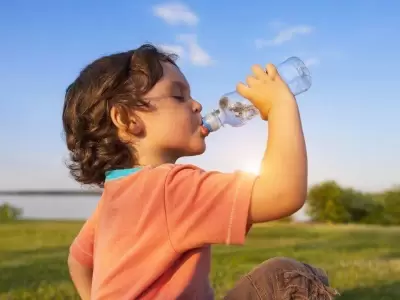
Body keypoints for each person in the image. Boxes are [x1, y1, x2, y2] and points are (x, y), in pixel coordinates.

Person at [64, 44, 338, 299]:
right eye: (178, 95)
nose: (196, 105)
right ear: (128, 119)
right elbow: (283, 193)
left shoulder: (116, 198)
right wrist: (280, 106)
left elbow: (77, 261)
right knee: (285, 277)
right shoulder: (169, 188)